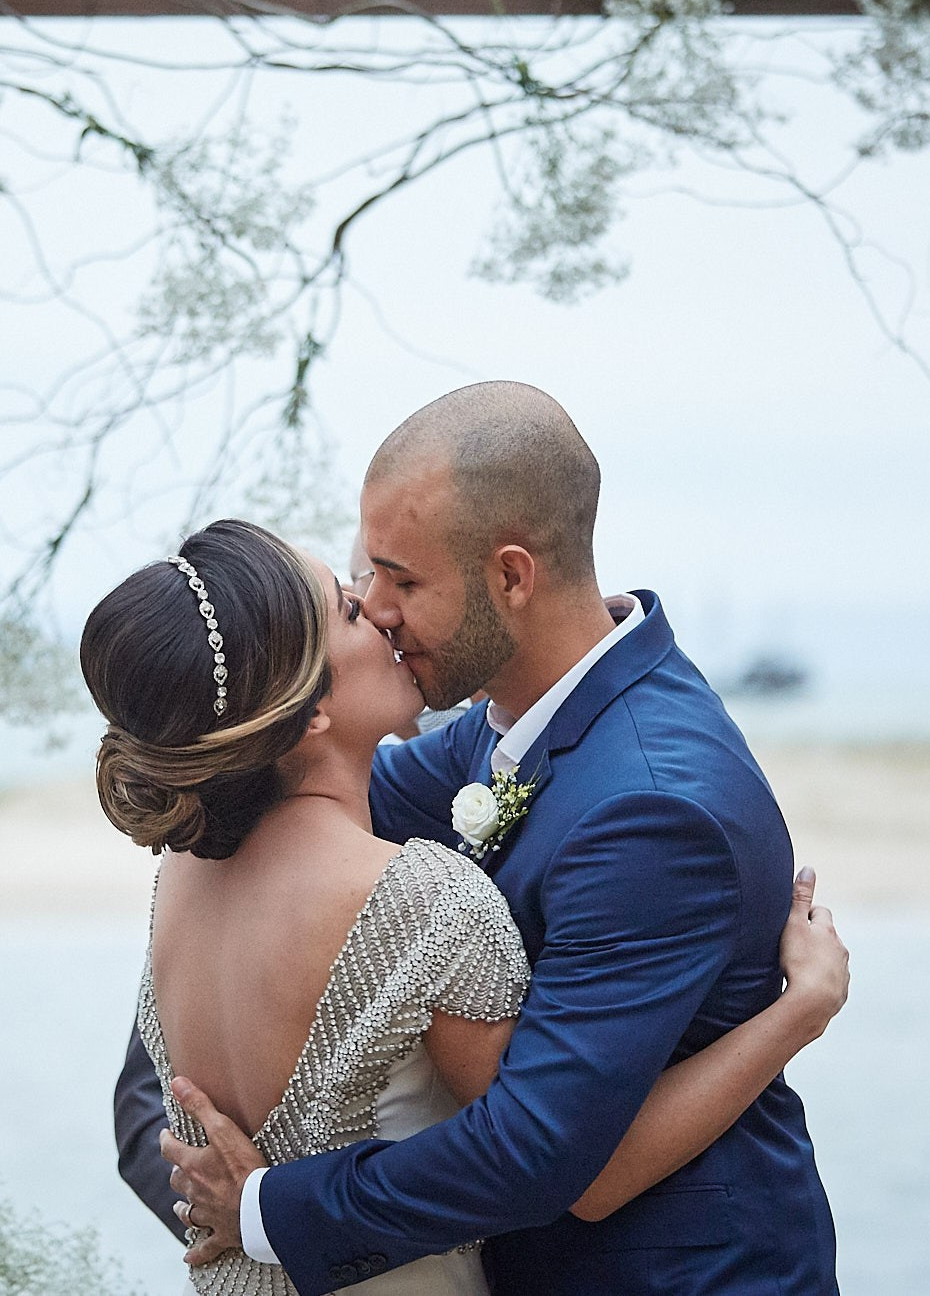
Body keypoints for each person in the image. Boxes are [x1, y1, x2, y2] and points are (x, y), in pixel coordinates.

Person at [87, 510, 847, 1294]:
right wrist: (798, 1012)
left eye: (393, 581)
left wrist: (254, 1224)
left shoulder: (183, 866)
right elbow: (566, 1164)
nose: (378, 608)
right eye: (352, 603)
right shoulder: (420, 896)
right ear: (307, 709)